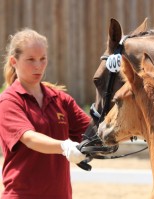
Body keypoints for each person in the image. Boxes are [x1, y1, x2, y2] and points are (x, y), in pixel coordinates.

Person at [0, 28, 91, 199]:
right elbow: (30, 138)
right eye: (31, 60)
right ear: (14, 61)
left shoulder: (60, 99)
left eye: (43, 59)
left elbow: (94, 131)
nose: (38, 66)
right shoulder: (8, 101)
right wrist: (64, 146)